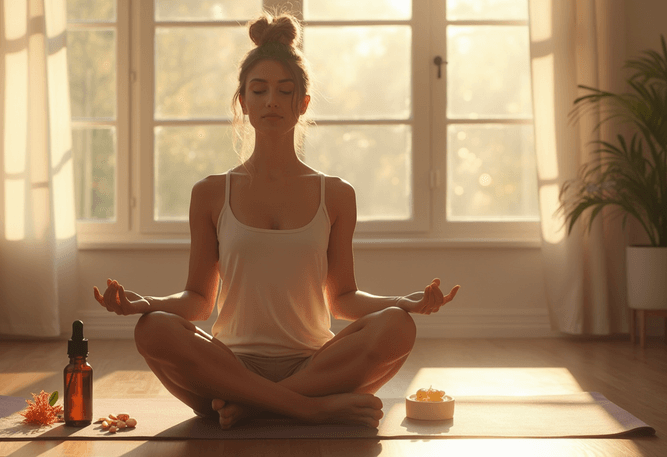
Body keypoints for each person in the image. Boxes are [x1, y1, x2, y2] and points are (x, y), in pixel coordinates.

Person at [94, 11, 459, 430]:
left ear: (302, 104)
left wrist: (404, 302)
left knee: (398, 327)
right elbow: (198, 299)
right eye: (259, 90)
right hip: (227, 368)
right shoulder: (210, 194)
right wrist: (146, 304)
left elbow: (342, 299)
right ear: (243, 102)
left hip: (315, 365)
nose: (271, 101)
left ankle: (256, 406)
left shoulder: (337, 194)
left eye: (285, 91)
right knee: (152, 329)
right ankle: (306, 408)